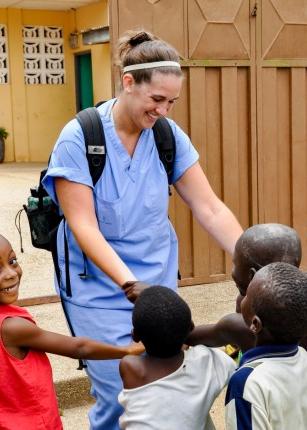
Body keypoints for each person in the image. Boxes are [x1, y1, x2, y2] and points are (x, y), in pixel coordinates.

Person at [42, 29, 242, 429]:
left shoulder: (166, 136)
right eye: (157, 100)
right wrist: (130, 285)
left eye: (171, 102)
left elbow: (209, 207)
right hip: (98, 288)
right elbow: (83, 224)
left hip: (158, 283)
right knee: (120, 393)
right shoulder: (80, 138)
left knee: (166, 382)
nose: (164, 111)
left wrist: (253, 262)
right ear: (128, 82)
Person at [0, 234, 143, 430]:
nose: (10, 273)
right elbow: (79, 347)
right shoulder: (12, 327)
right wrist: (128, 350)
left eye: (12, 261)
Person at [119, 286, 235, 430]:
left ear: (135, 335)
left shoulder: (131, 368)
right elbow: (239, 333)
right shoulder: (207, 361)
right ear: (191, 326)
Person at [186, 223, 303, 352]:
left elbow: (189, 337)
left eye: (235, 263)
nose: (233, 270)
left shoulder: (237, 326)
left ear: (252, 275)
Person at [225, 262, 307, 429]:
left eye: (247, 295)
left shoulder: (246, 382)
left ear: (255, 324)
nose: (243, 297)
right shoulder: (303, 356)